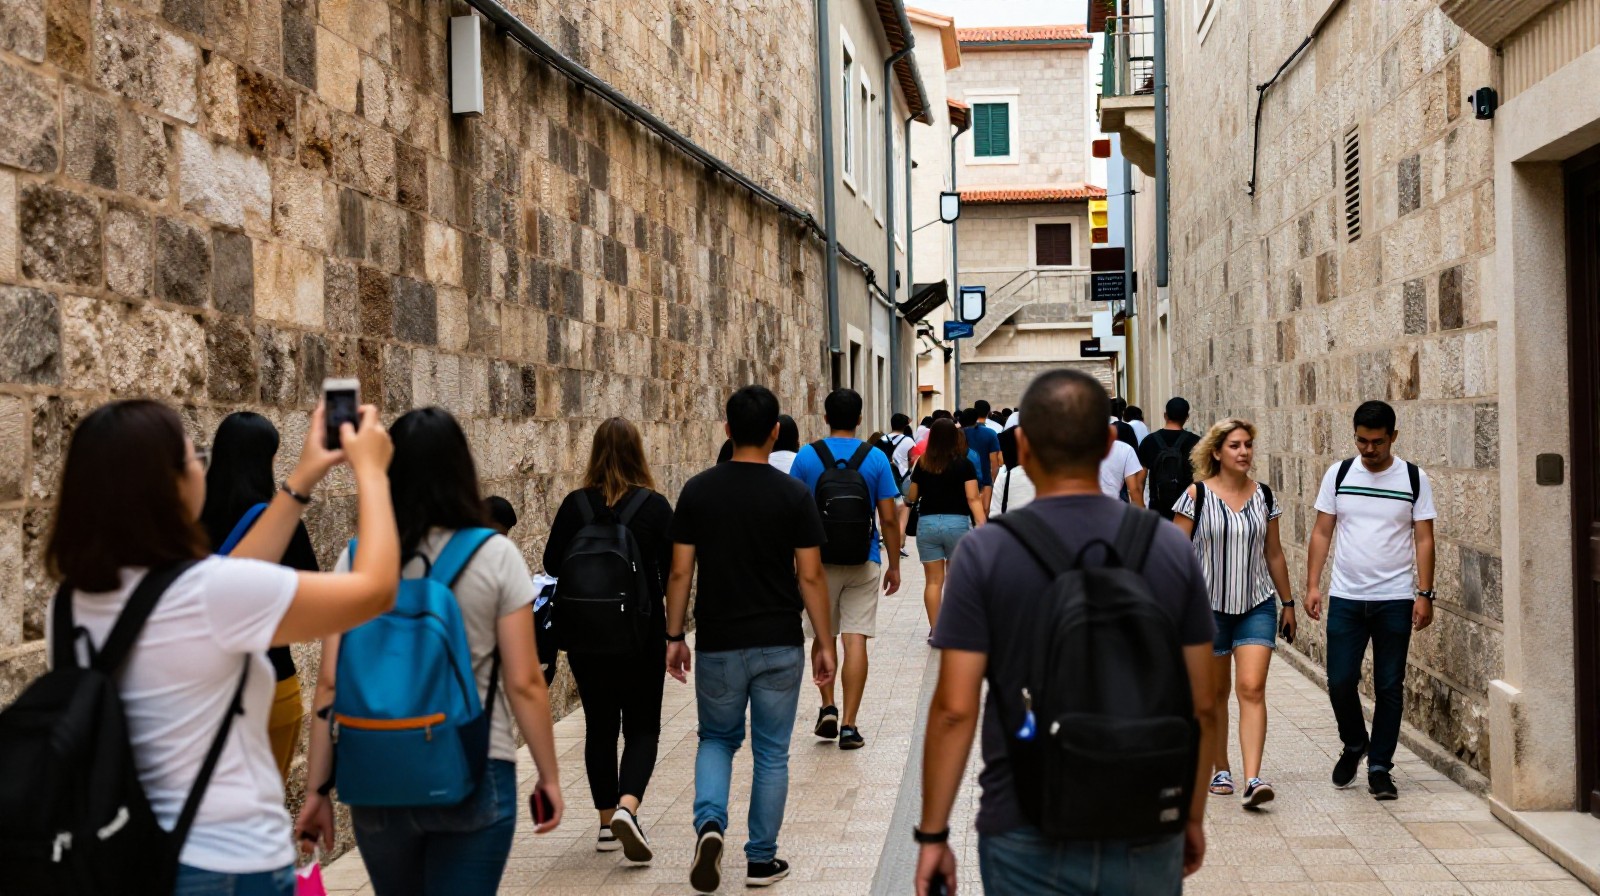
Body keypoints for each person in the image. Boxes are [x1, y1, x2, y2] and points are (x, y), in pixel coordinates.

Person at [46, 399, 399, 896]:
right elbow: (376, 591)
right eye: (195, 457)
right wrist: (374, 474)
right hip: (226, 861)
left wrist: (301, 480)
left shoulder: (71, 602)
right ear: (168, 484)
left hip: (124, 853)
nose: (202, 469)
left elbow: (233, 574)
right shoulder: (209, 594)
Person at [915, 370, 1215, 895]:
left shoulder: (987, 553)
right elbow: (1202, 704)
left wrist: (934, 833)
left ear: (1022, 446)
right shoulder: (1169, 548)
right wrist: (1189, 815)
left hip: (1025, 819)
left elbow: (954, 709)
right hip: (1143, 814)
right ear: (1108, 444)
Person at [296, 408, 565, 895]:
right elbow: (524, 682)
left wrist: (317, 790)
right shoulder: (495, 555)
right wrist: (548, 775)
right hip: (474, 765)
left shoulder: (355, 559)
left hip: (379, 770)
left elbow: (329, 683)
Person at [664, 385, 837, 893]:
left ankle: (711, 824)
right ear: (775, 432)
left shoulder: (697, 491)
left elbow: (679, 572)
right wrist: (824, 641)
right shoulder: (793, 495)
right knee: (771, 753)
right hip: (779, 642)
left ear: (726, 429)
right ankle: (761, 860)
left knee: (716, 739)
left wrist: (674, 635)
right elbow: (810, 577)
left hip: (718, 640)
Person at [543, 418, 674, 862]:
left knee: (600, 727)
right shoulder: (654, 507)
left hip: (585, 636)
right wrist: (675, 631)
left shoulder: (574, 505)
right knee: (643, 727)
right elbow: (675, 570)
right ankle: (628, 808)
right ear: (638, 452)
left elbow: (552, 562)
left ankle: (604, 824)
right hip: (642, 635)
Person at [1304, 400, 1436, 801]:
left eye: (1377, 442)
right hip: (1347, 596)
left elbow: (1424, 537)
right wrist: (1313, 584)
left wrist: (1425, 593)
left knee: (1389, 687)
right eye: (1361, 440)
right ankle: (1354, 742)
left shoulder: (1413, 478)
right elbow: (1322, 531)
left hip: (1395, 598)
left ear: (1393, 437)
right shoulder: (1339, 473)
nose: (1368, 449)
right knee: (1340, 680)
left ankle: (1380, 767)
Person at [1172, 418, 1295, 810]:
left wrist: (1288, 602)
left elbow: (1273, 553)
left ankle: (1253, 777)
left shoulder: (1265, 496)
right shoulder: (1196, 496)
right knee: (1212, 697)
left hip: (1256, 605)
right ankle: (1220, 768)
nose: (1243, 452)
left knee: (1251, 688)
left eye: (1247, 445)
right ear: (1217, 452)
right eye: (1235, 446)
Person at [198, 411, 322, 782]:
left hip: (204, 691)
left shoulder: (188, 521)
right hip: (270, 680)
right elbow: (311, 606)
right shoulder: (278, 524)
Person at [788, 390, 902, 751]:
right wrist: (894, 564)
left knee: (825, 636)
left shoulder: (807, 456)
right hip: (863, 557)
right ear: (859, 418)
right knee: (856, 638)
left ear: (825, 417)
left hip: (817, 562)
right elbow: (887, 517)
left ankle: (828, 707)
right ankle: (850, 725)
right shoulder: (876, 458)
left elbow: (794, 513)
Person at [905, 420, 985, 631]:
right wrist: (983, 526)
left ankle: (935, 630)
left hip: (928, 524)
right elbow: (973, 498)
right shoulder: (964, 464)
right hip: (957, 524)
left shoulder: (923, 463)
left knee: (933, 581)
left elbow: (912, 495)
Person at [1139, 397, 1202, 521]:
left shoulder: (1149, 441)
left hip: (1157, 511)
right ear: (1186, 417)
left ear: (1165, 415)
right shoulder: (1196, 442)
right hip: (1188, 510)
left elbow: (1139, 481)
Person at [959, 407, 1000, 506]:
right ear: (976, 419)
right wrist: (993, 481)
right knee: (982, 515)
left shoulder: (955, 434)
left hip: (958, 483)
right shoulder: (989, 433)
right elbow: (994, 461)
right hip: (984, 482)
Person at [1100, 432, 1145, 506]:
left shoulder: (1076, 448)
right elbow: (1133, 490)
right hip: (1113, 507)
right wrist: (1142, 514)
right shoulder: (1124, 448)